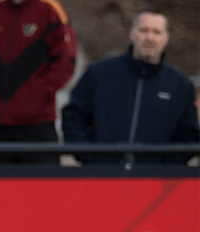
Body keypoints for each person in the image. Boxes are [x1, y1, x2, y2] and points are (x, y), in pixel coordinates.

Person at [61, 9, 199, 165]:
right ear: (132, 33)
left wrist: (165, 169)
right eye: (144, 30)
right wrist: (89, 157)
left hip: (156, 183)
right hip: (101, 178)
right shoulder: (100, 74)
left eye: (157, 32)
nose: (150, 37)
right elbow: (73, 117)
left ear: (166, 38)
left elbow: (188, 136)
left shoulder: (180, 86)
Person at [0, 0, 77, 165]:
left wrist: (38, 94)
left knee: (42, 188)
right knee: (0, 188)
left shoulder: (50, 10)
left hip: (37, 125)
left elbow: (66, 61)